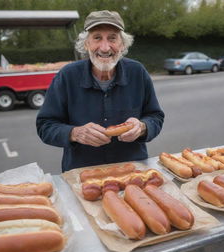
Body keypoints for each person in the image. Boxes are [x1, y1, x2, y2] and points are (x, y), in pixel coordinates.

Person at [36, 10, 165, 172]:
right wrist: (75, 133)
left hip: (133, 171)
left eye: (112, 38)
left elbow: (155, 117)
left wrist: (142, 127)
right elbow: (45, 126)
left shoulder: (137, 72)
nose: (104, 48)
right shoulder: (67, 76)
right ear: (86, 44)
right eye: (97, 37)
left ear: (122, 44)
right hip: (82, 175)